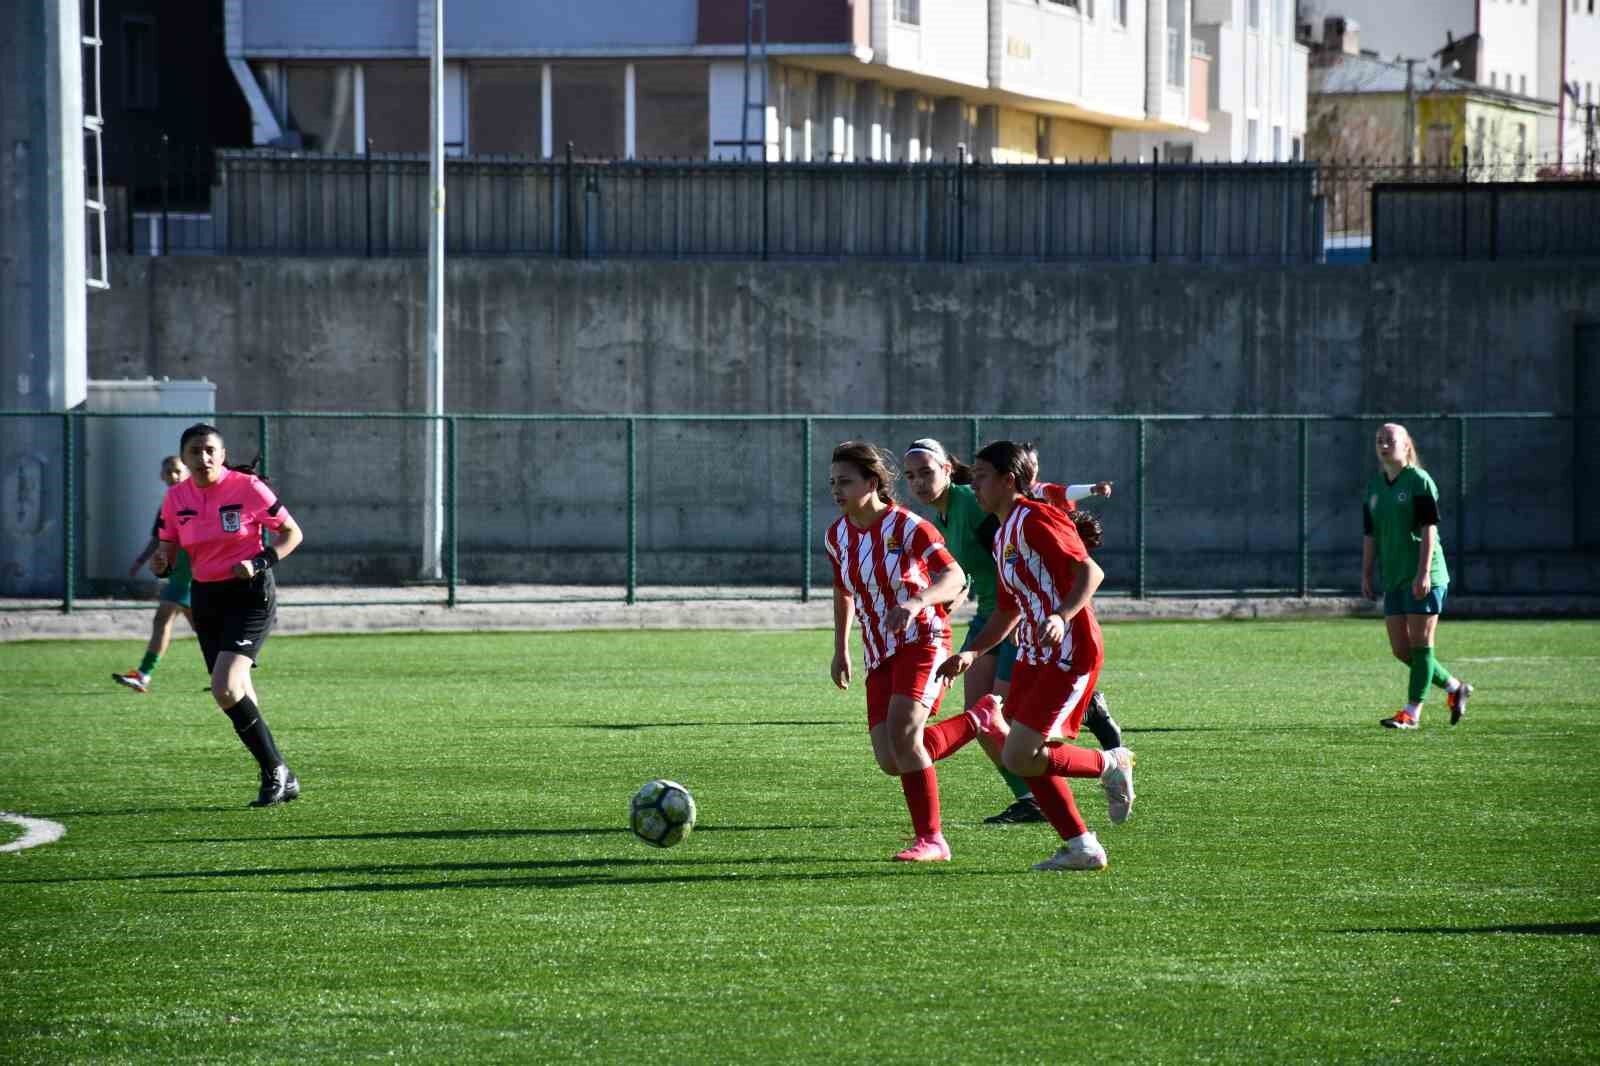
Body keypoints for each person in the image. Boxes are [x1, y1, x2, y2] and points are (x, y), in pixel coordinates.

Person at [936, 440, 1136, 872]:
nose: (974, 485)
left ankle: (1110, 762)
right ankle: (1082, 847)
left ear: (1009, 480)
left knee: (1020, 753)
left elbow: (1091, 571)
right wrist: (972, 652)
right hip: (1032, 654)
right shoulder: (1003, 533)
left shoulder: (1036, 517)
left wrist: (1062, 616)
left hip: (1069, 651)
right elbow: (1007, 610)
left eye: (981, 476)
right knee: (1022, 753)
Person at [825, 440, 991, 863]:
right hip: (879, 651)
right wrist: (840, 648)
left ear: (872, 483)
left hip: (924, 638)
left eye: (845, 481)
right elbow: (843, 591)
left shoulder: (907, 526)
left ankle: (932, 840)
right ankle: (979, 719)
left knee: (904, 734)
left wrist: (916, 602)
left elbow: (954, 577)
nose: (837, 490)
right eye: (833, 483)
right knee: (891, 759)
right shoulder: (836, 535)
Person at [152, 423, 305, 806]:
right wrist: (161, 562)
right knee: (237, 691)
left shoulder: (248, 488)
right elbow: (168, 548)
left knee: (223, 688)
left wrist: (259, 561)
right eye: (194, 451)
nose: (203, 458)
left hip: (250, 594)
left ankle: (276, 772)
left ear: (222, 455)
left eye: (210, 450)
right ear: (184, 458)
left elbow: (292, 533)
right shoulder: (175, 498)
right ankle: (280, 774)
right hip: (206, 597)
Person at [1362, 423, 1472, 730]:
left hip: (1425, 575)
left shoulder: (1419, 481)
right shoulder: (1374, 487)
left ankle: (1411, 714)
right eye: (1379, 440)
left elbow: (1429, 529)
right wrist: (1366, 573)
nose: (1384, 445)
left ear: (1406, 445)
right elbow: (1370, 534)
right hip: (1394, 576)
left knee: (1422, 645)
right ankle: (1454, 687)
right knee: (1401, 649)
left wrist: (1423, 573)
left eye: (1390, 440)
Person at [113, 456, 194, 693]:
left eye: (177, 471)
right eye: (168, 472)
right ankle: (228, 669)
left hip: (192, 571)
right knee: (201, 627)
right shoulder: (169, 502)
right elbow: (159, 538)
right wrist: (141, 560)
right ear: (161, 476)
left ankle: (143, 674)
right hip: (178, 571)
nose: (173, 476)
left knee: (163, 619)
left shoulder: (195, 497)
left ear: (187, 472)